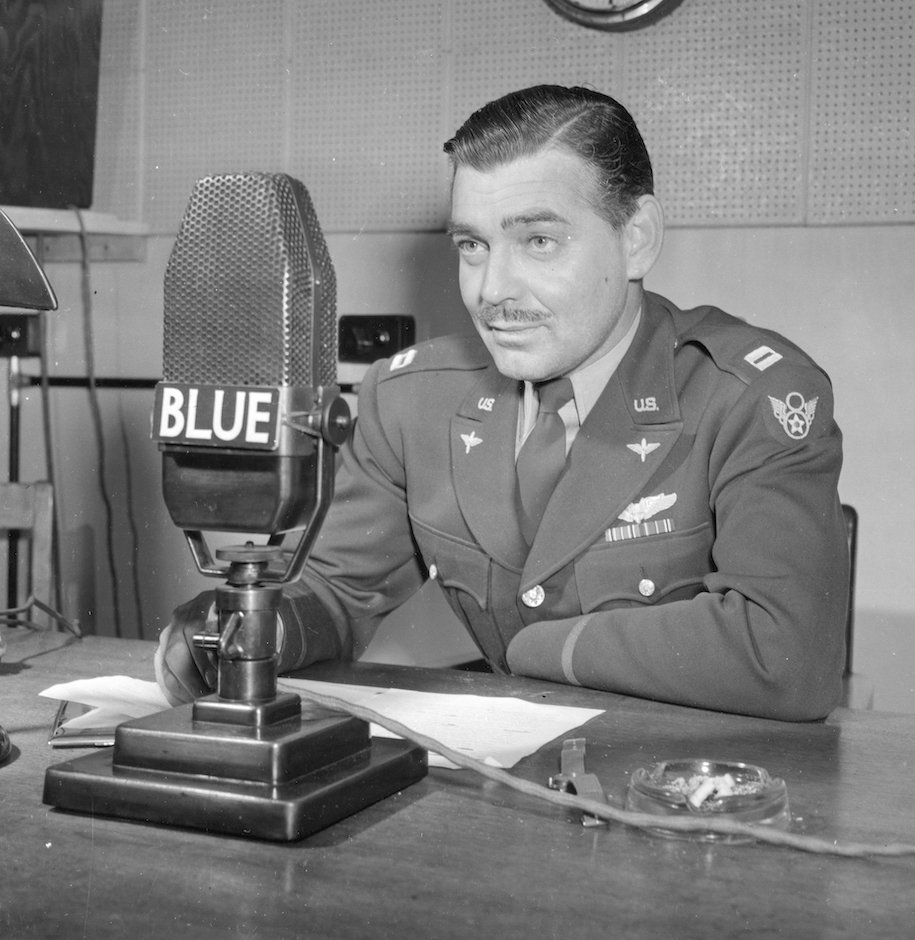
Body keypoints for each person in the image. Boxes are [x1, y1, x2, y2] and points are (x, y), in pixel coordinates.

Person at [155, 84, 849, 720]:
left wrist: (536, 652)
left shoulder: (748, 395)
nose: (492, 290)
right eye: (472, 245)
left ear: (636, 239)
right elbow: (340, 590)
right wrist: (254, 627)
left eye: (538, 241)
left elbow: (784, 655)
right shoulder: (411, 400)